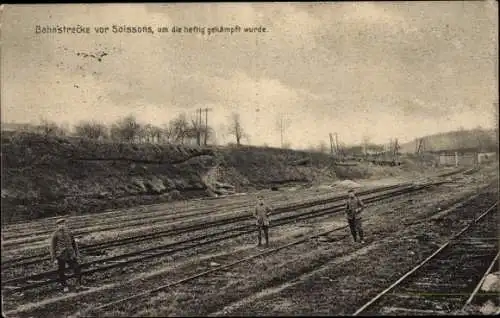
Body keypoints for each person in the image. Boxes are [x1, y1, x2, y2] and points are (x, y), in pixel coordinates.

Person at [50, 218, 83, 292]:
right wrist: (54, 258)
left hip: (70, 254)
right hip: (61, 255)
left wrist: (77, 253)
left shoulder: (69, 232)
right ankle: (64, 286)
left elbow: (74, 244)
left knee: (77, 268)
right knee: (61, 271)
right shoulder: (55, 234)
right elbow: (52, 247)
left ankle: (78, 284)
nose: (62, 226)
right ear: (57, 225)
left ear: (65, 224)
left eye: (63, 224)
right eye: (60, 224)